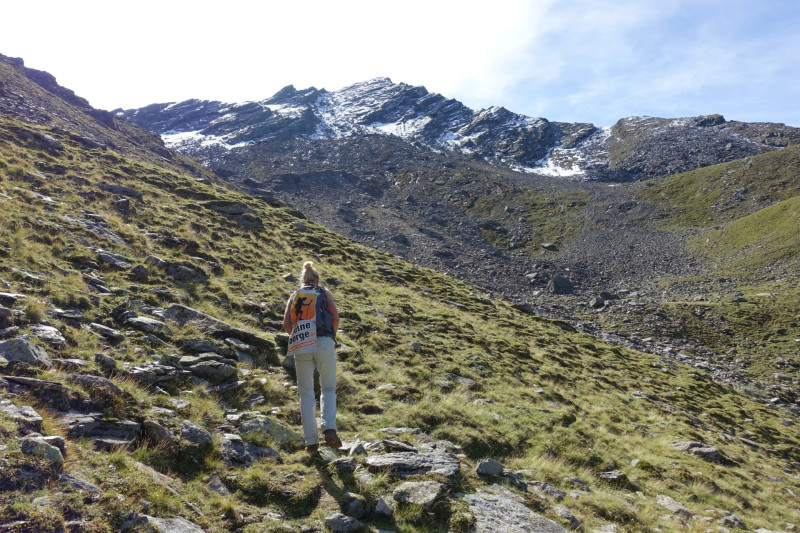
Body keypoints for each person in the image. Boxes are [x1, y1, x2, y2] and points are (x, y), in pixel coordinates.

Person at [283, 261, 342, 453]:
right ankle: (329, 428)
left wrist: (298, 335)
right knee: (328, 387)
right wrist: (330, 336)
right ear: (316, 279)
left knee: (306, 393)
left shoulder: (294, 295)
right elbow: (335, 317)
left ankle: (311, 443)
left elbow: (287, 323)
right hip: (324, 340)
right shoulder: (324, 293)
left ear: (303, 280)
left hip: (302, 344)